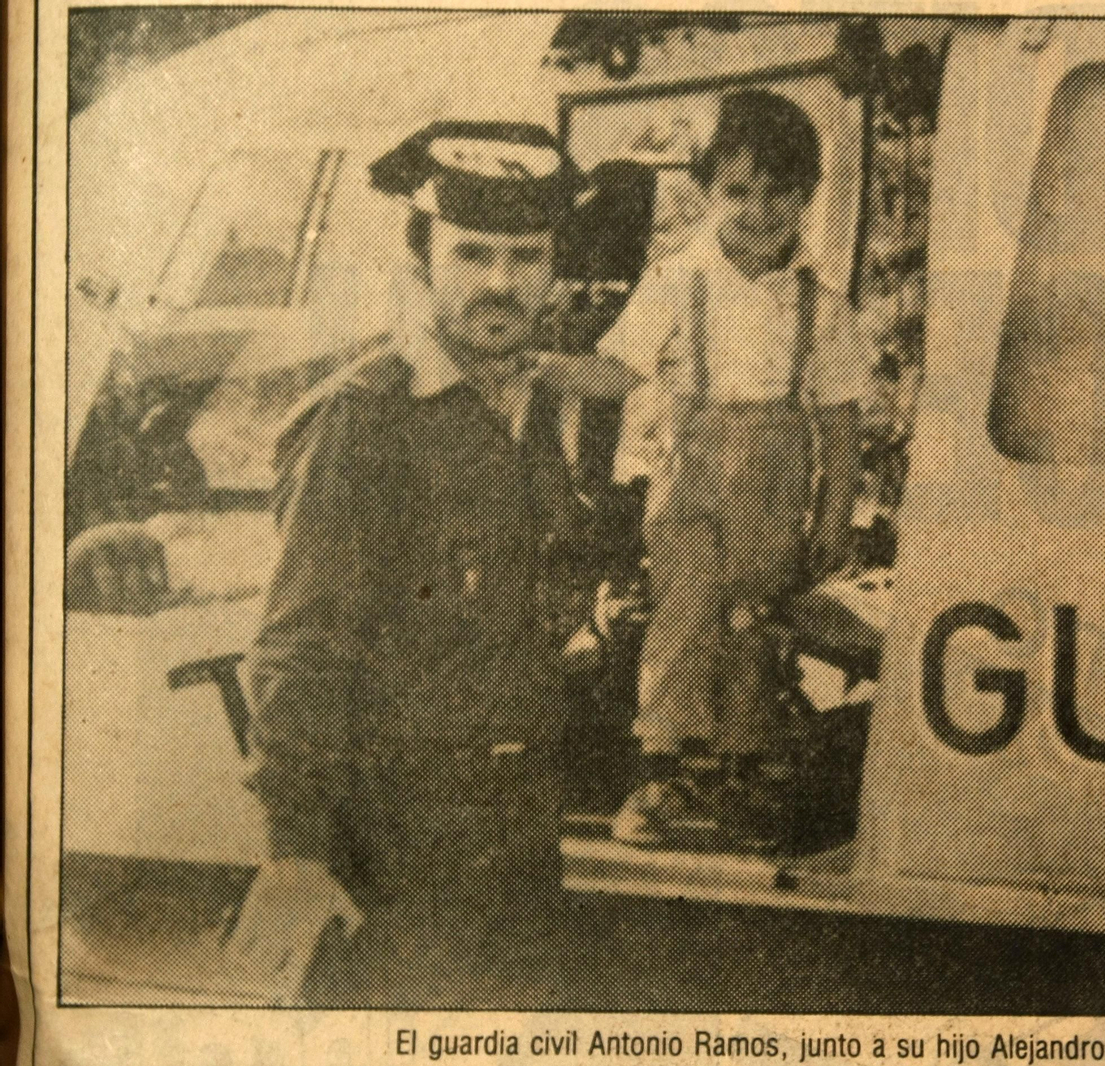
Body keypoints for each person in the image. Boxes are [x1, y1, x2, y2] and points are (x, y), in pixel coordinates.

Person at [224, 121, 638, 1006]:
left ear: (553, 271)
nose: (500, 282)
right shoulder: (362, 423)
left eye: (524, 257)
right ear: (422, 268)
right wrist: (295, 849)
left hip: (520, 830)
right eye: (472, 254)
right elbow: (298, 651)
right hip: (396, 846)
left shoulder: (526, 411)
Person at [600, 90, 870, 851]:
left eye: (779, 191)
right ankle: (661, 771)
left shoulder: (823, 304)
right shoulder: (677, 281)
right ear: (707, 193)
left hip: (778, 483)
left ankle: (741, 770)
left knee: (756, 621)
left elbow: (841, 422)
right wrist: (536, 366)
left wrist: (833, 516)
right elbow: (616, 370)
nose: (759, 210)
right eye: (737, 191)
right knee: (683, 616)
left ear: (809, 195)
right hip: (691, 477)